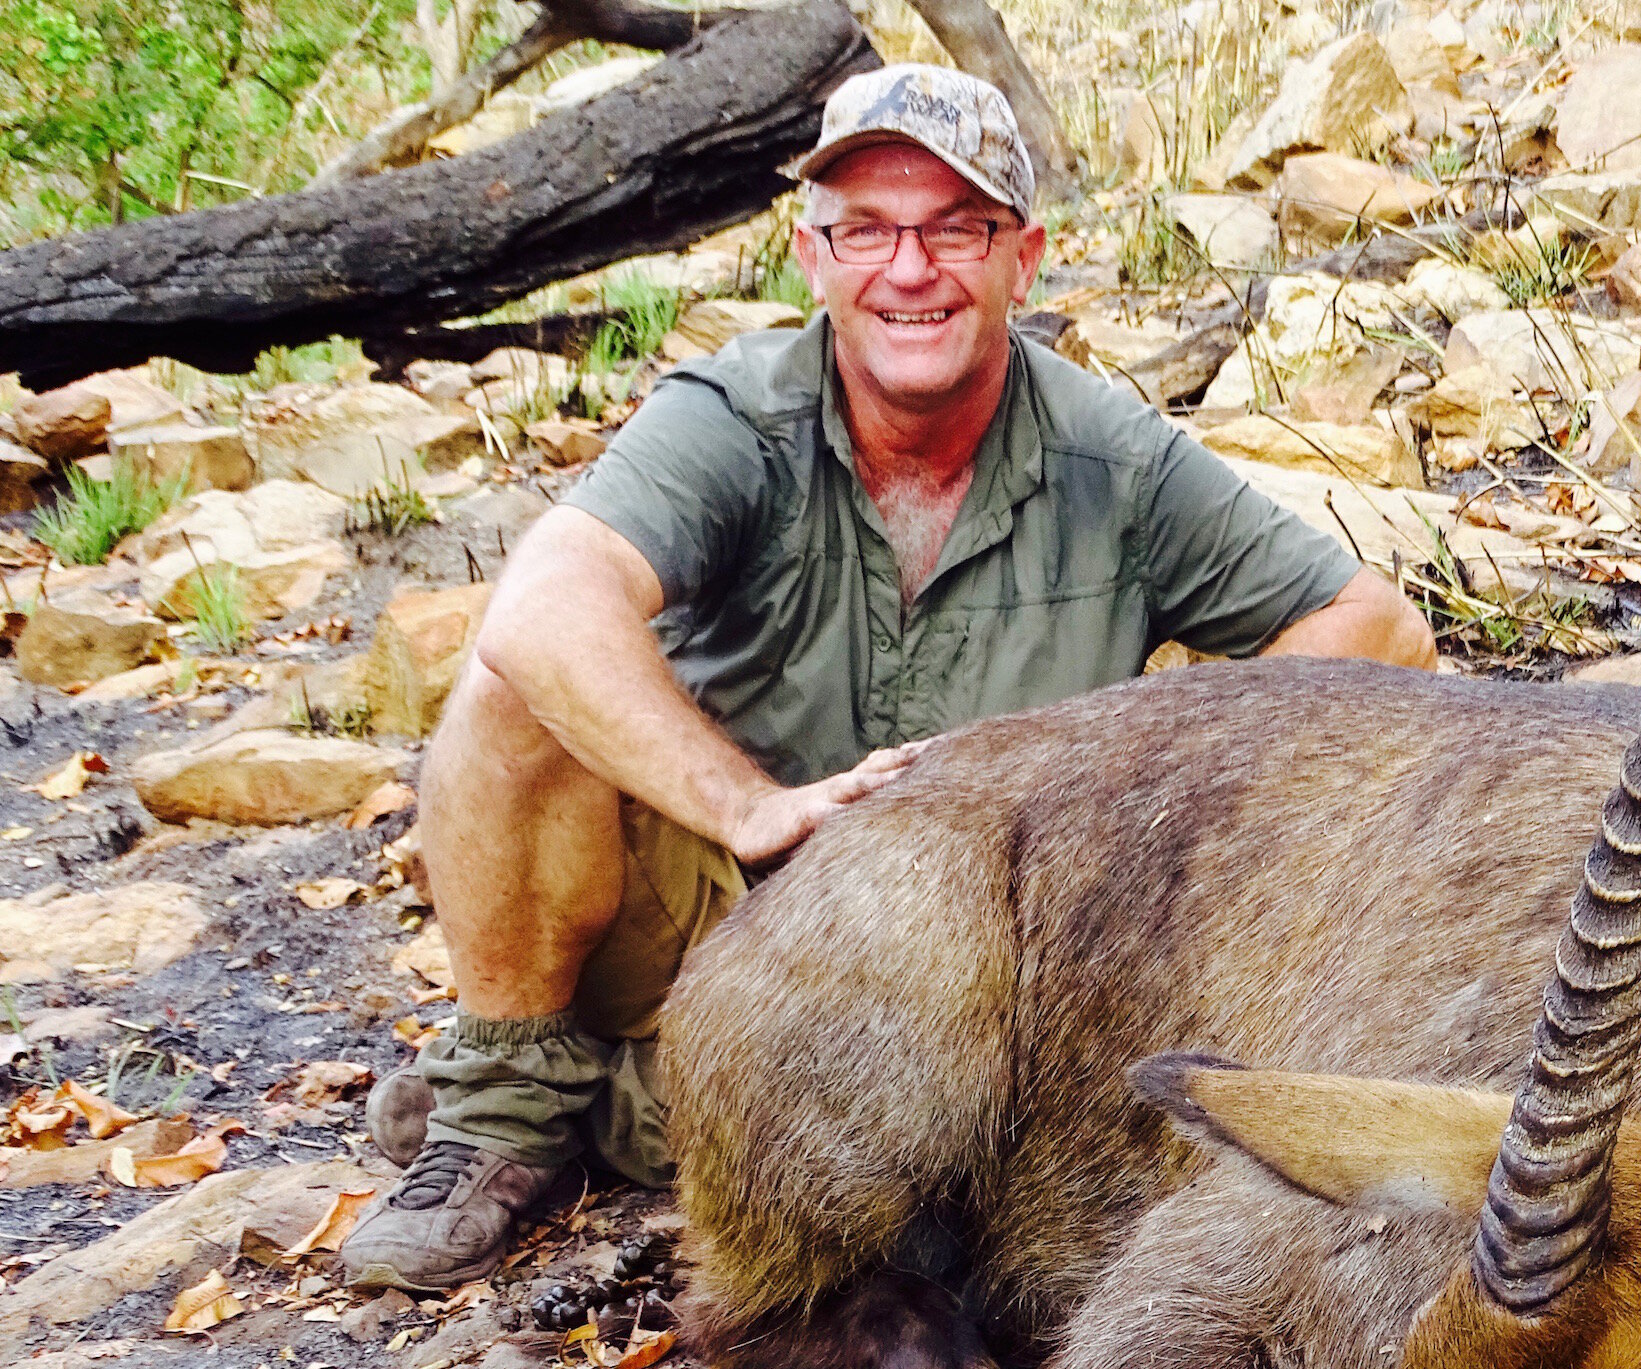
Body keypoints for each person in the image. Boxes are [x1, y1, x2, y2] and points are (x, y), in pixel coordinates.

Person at [342, 63, 1435, 1291]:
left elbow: (1379, 632)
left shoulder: (1115, 457)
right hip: (723, 899)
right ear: (811, 258)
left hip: (966, 957)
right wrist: (747, 806)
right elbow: (543, 603)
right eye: (865, 229)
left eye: (954, 229)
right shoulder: (732, 414)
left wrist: (1133, 777)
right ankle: (504, 1109)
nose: (908, 271)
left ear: (1023, 260)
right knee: (510, 694)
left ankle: (628, 1114)